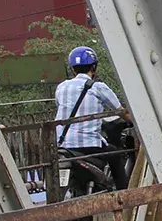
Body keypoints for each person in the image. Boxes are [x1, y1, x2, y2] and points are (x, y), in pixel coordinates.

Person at [54, 47, 127, 191]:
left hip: (63, 145)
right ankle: (125, 194)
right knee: (115, 154)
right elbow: (121, 112)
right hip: (89, 146)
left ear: (72, 69)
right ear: (94, 67)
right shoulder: (98, 87)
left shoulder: (61, 87)